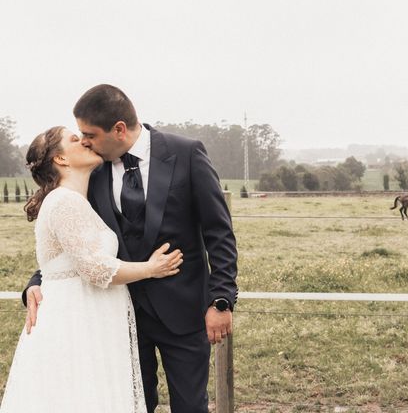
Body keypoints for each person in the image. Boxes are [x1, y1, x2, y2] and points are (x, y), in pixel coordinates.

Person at [22, 85, 239, 413]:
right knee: (132, 405)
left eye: (89, 134)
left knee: (191, 407)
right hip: (119, 315)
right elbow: (76, 242)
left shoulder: (187, 153)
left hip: (184, 312)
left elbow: (219, 233)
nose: (85, 142)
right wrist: (37, 281)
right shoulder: (92, 172)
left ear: (119, 129)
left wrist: (221, 300)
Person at [1, 126, 184, 412]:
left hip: (91, 317)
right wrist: (151, 268)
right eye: (75, 139)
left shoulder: (80, 199)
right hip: (75, 323)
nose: (85, 141)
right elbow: (95, 268)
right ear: (60, 160)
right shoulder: (64, 201)